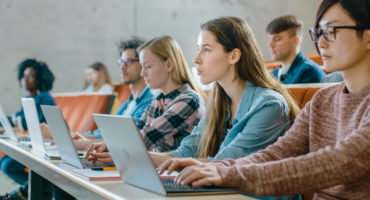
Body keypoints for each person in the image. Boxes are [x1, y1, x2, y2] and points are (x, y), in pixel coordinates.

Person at [161, 1, 370, 199]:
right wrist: (219, 168)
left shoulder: (270, 102)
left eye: (331, 31)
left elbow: (340, 161)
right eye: (319, 32)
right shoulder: (322, 101)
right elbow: (276, 154)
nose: (320, 42)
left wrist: (229, 174)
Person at [92, 18, 300, 200]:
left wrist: (149, 158)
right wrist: (127, 155)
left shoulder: (269, 105)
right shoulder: (219, 103)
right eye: (198, 48)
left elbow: (225, 165)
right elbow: (184, 152)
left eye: (206, 49)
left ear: (234, 56)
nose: (196, 59)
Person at [86, 35, 205, 160]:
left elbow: (147, 138)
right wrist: (106, 146)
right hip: (155, 169)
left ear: (169, 65)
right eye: (142, 67)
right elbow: (136, 131)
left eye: (147, 66)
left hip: (175, 174)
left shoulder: (189, 100)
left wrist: (114, 150)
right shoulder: (158, 100)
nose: (143, 73)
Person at [41, 37, 156, 142]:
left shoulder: (149, 102)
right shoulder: (126, 104)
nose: (122, 66)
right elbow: (104, 134)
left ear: (143, 63)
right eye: (121, 62)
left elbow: (121, 141)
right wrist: (70, 136)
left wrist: (66, 138)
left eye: (128, 62)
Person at [0, 59, 56, 200]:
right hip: (35, 142)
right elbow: (17, 118)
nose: (25, 79)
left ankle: (30, 191)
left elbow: (25, 122)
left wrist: (8, 121)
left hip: (46, 145)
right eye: (24, 75)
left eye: (30, 76)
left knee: (8, 165)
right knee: (4, 163)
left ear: (39, 78)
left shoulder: (44, 97)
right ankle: (32, 190)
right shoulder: (30, 97)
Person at [268, 15, 326, 84]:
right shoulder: (274, 74)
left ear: (295, 41)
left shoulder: (309, 72)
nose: (270, 45)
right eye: (269, 39)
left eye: (277, 39)